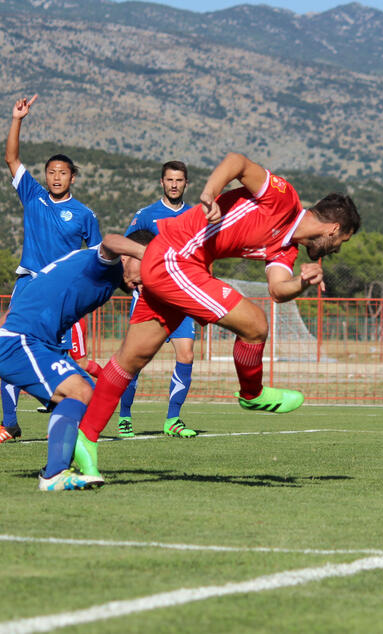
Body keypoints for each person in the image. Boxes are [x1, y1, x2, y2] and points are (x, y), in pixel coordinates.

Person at [75, 152, 360, 482]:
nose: (337, 248)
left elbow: (278, 290)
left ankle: (85, 439)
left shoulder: (286, 248)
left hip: (177, 262)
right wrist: (209, 193)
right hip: (175, 259)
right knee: (255, 324)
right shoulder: (285, 198)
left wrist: (302, 282)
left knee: (129, 359)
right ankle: (251, 395)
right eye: (342, 240)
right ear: (334, 228)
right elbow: (237, 162)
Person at [0, 232, 150, 490]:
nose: (140, 285)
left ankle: (71, 468)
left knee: (87, 397)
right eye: (145, 268)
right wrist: (148, 255)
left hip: (27, 342)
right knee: (79, 391)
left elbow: (26, 299)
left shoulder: (109, 277)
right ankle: (54, 474)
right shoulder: (103, 263)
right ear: (129, 255)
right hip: (22, 342)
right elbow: (110, 240)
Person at [0, 94, 101, 444]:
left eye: (62, 173)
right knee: (9, 346)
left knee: (62, 356)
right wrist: (17, 118)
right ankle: (9, 423)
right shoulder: (32, 195)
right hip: (28, 285)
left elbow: (97, 259)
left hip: (61, 295)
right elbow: (11, 157)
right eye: (51, 172)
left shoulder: (84, 215)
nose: (55, 177)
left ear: (72, 178)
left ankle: (85, 399)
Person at [118, 160, 198, 438]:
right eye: (169, 180)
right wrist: (133, 283)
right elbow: (125, 252)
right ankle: (125, 416)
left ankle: (173, 419)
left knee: (186, 354)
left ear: (186, 183)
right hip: (149, 299)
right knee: (134, 360)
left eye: (179, 180)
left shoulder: (195, 215)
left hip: (182, 298)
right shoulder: (145, 215)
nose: (174, 185)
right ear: (162, 182)